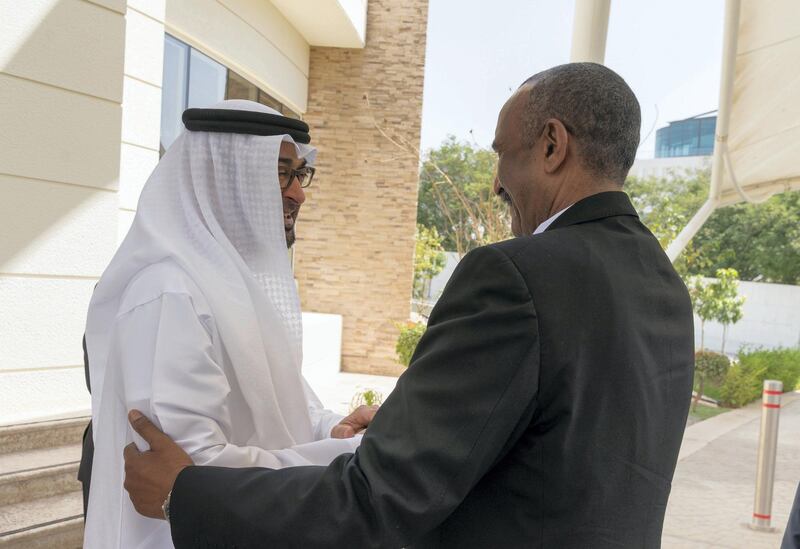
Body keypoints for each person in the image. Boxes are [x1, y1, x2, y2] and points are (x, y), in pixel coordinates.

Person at [123, 63, 696, 548]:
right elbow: (563, 442)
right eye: (278, 174)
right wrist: (410, 426)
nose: (496, 183)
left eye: (503, 153)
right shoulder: (662, 284)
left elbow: (377, 503)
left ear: (552, 144)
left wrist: (184, 493)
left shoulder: (517, 275)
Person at [82, 100, 377, 548]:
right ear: (224, 179)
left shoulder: (230, 285)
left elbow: (286, 406)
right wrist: (354, 457)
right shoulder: (170, 293)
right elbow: (193, 473)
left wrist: (333, 428)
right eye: (280, 173)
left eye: (300, 173)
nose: (299, 193)